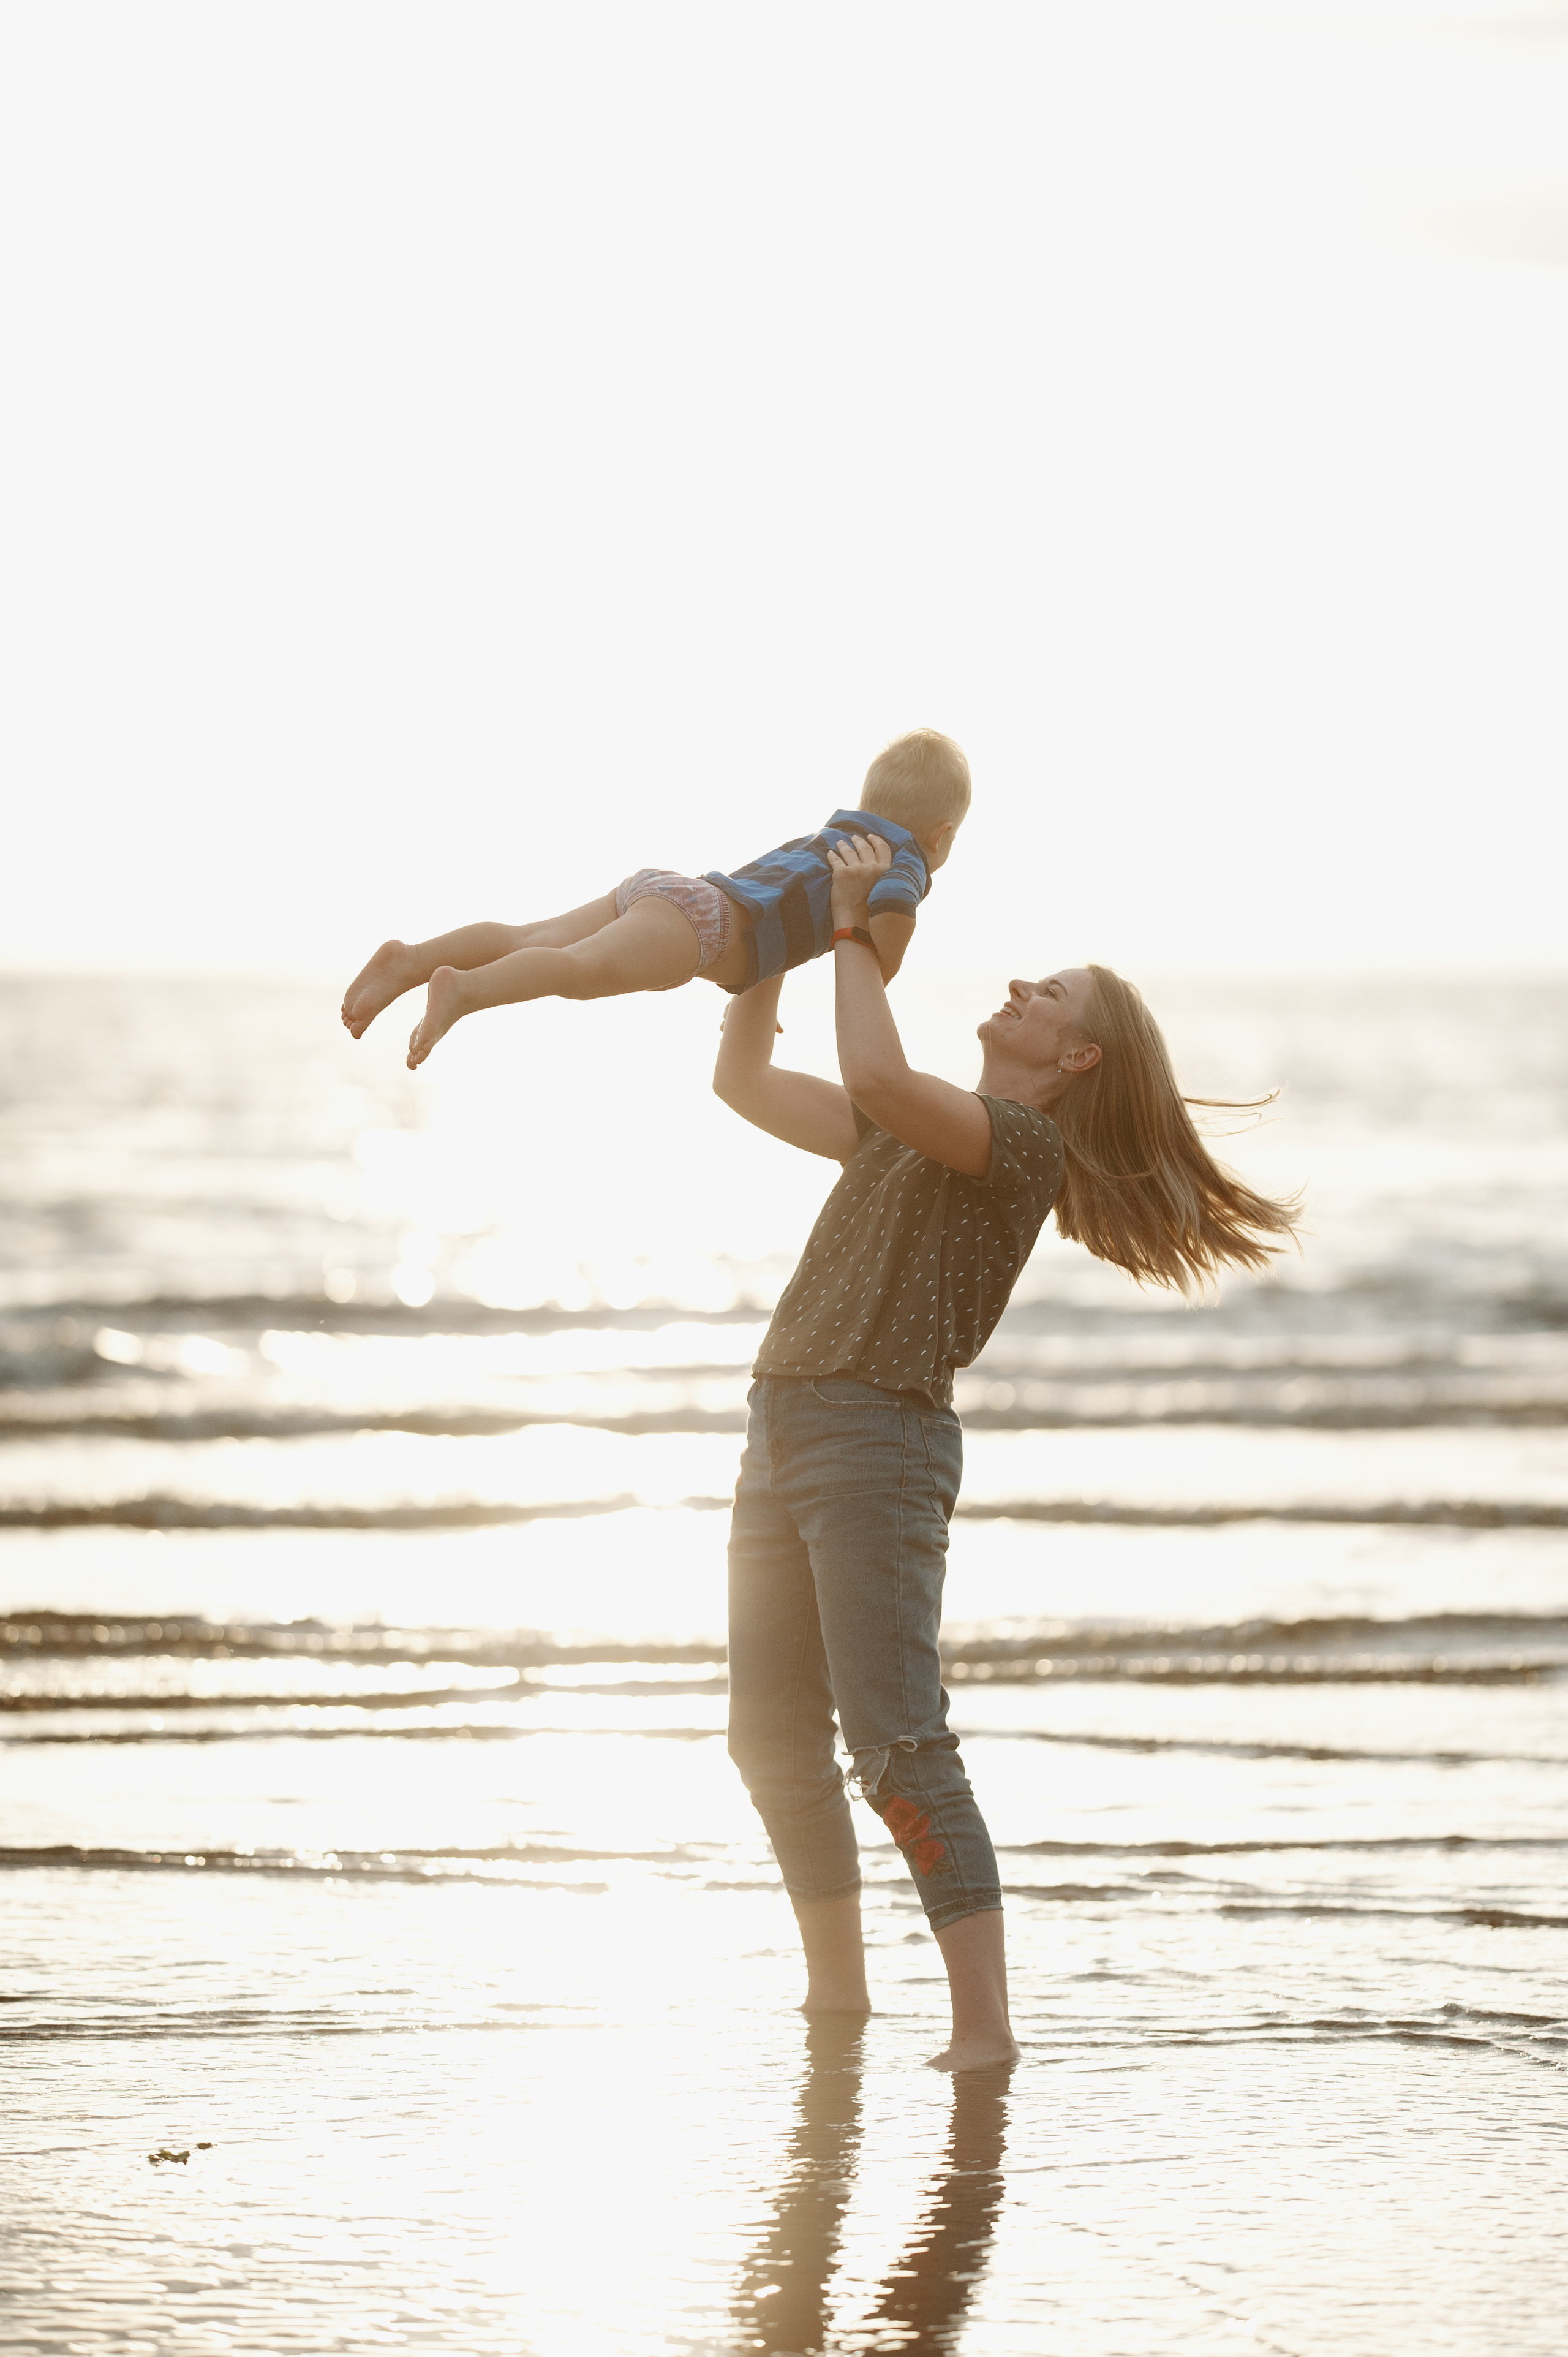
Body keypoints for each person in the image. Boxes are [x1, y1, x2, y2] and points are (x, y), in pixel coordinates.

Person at [714, 833, 1299, 2070]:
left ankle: (983, 2030)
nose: (1023, 988)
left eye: (1054, 996)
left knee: (895, 1742)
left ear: (1073, 1056)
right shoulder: (912, 1131)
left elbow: (871, 1070)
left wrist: (846, 921)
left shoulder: (1015, 1146)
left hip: (876, 1439)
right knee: (768, 1737)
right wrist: (762, 945)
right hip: (782, 1425)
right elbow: (743, 1084)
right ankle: (841, 2002)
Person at [339, 728, 970, 1069]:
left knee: (531, 937)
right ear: (941, 836)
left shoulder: (826, 837)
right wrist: (872, 922)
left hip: (675, 892)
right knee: (578, 971)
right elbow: (873, 965)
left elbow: (766, 907)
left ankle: (412, 959)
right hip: (705, 928)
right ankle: (466, 991)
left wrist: (749, 990)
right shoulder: (902, 861)